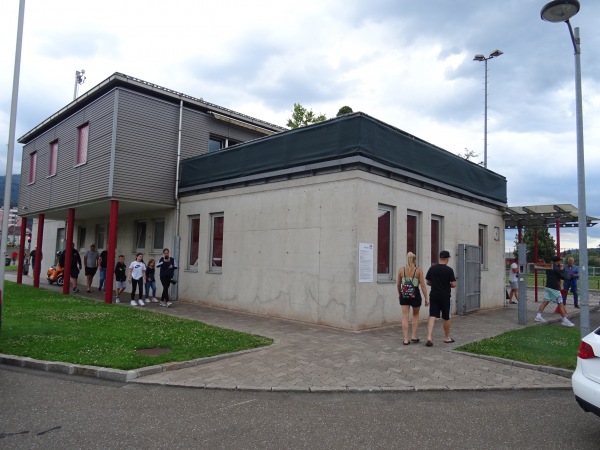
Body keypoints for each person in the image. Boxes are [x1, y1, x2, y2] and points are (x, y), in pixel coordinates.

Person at [425, 250, 457, 347]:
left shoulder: (432, 268)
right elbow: (454, 284)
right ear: (447, 259)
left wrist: (434, 283)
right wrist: (449, 284)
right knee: (446, 317)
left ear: (440, 258)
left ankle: (429, 337)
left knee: (432, 315)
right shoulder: (449, 270)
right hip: (445, 296)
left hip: (434, 295)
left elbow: (428, 282)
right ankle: (447, 337)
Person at [397, 252, 429, 345]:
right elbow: (422, 285)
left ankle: (406, 339)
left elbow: (399, 284)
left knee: (404, 317)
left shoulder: (401, 270)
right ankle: (414, 336)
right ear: (415, 260)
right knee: (415, 315)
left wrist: (400, 294)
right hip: (415, 295)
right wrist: (426, 297)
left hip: (404, 294)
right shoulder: (418, 271)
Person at [535, 256, 575, 326]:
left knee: (545, 301)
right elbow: (563, 277)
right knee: (560, 303)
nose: (560, 262)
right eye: (560, 261)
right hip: (554, 288)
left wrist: (561, 270)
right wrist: (569, 275)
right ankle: (565, 320)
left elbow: (556, 275)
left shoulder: (549, 267)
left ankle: (538, 316)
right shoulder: (557, 268)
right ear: (557, 261)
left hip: (548, 287)